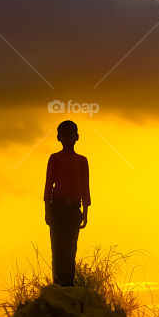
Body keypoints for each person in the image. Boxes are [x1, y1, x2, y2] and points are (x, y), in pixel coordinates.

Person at [43, 119, 90, 286]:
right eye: (65, 135)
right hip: (57, 208)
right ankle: (58, 284)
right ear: (59, 137)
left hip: (73, 211)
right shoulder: (55, 159)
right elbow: (49, 185)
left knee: (71, 249)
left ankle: (68, 284)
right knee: (57, 249)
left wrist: (85, 212)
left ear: (77, 137)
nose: (69, 138)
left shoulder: (82, 161)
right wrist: (47, 210)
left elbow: (85, 187)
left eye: (71, 134)